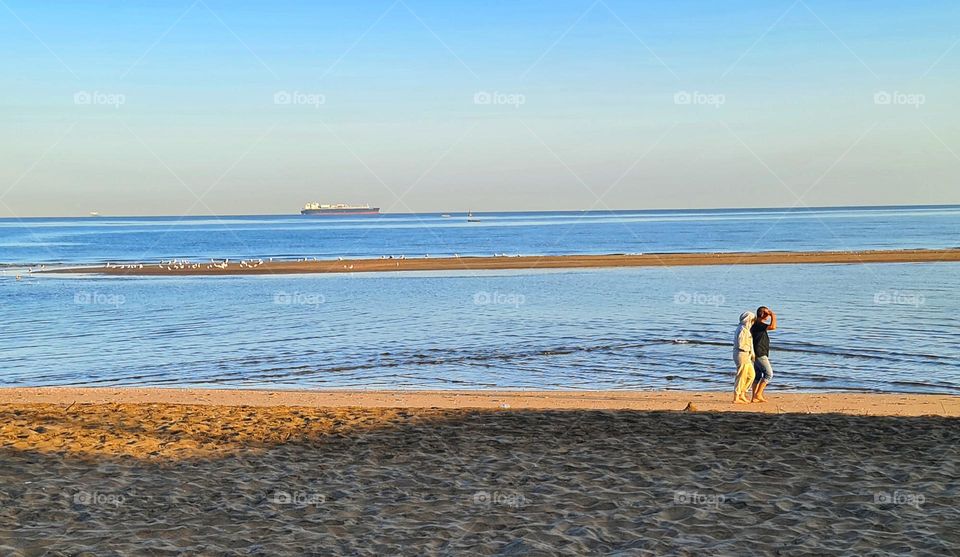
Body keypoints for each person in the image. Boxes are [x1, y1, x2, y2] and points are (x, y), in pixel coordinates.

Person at [751, 306, 777, 403]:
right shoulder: (758, 324)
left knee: (757, 375)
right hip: (760, 353)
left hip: (756, 353)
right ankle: (758, 394)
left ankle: (754, 397)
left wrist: (769, 314)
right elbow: (773, 327)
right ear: (762, 314)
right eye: (766, 314)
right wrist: (773, 315)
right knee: (769, 374)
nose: (768, 316)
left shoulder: (756, 324)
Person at [733, 311, 756, 404]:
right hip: (741, 354)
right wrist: (749, 351)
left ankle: (743, 392)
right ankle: (736, 396)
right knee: (741, 375)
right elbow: (741, 344)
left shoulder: (746, 329)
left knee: (751, 375)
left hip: (747, 355)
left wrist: (752, 354)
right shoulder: (742, 329)